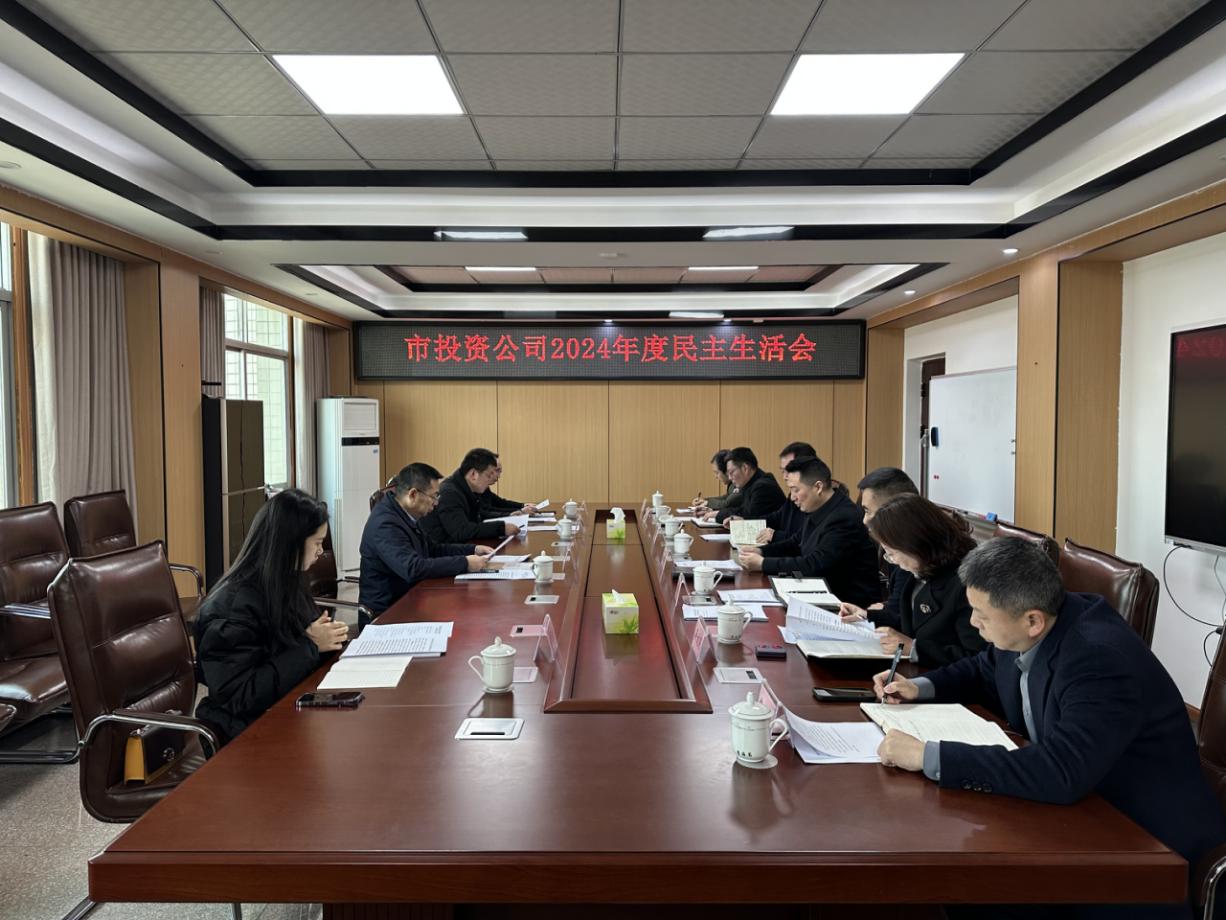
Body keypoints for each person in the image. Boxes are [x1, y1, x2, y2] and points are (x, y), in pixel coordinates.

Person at [874, 537, 1226, 920]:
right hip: (1079, 814)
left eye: (982, 615)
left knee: (966, 886)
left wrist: (929, 755)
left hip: (1142, 849)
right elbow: (984, 667)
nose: (973, 622)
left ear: (1033, 620)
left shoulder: (1099, 659)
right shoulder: (1036, 624)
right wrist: (920, 687)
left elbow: (1060, 771)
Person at [194, 489, 349, 745]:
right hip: (244, 732)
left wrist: (330, 640)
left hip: (287, 707)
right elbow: (240, 696)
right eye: (317, 543)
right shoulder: (232, 609)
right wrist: (311, 645)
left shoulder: (285, 579)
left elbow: (301, 641)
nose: (321, 551)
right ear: (290, 543)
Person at [840, 493, 985, 665]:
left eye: (892, 553)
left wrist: (914, 648)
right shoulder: (918, 569)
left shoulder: (966, 583)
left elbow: (978, 657)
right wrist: (866, 616)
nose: (892, 560)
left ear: (915, 543)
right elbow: (909, 620)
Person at [738, 457, 880, 606]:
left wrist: (763, 564)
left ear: (818, 487)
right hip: (821, 594)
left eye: (796, 490)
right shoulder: (819, 507)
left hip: (849, 606)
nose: (792, 497)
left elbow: (816, 564)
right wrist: (761, 551)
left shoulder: (844, 517)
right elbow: (795, 543)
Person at [359, 462, 493, 614]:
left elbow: (432, 549)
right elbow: (413, 568)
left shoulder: (405, 513)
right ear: (413, 495)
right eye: (434, 496)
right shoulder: (385, 524)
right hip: (387, 612)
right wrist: (465, 563)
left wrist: (472, 549)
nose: (436, 503)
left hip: (412, 598)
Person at [422, 448, 523, 543]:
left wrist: (508, 516)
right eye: (488, 475)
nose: (492, 480)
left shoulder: (468, 488)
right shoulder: (450, 493)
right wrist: (501, 528)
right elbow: (461, 530)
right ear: (473, 474)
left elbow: (480, 515)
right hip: (444, 550)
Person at [856, 467, 920, 608]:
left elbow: (898, 611)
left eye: (868, 511)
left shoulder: (911, 550)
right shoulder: (892, 541)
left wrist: (881, 610)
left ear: (894, 508)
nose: (865, 520)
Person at [756, 441, 816, 545]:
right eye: (783, 471)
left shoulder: (817, 498)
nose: (784, 477)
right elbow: (777, 518)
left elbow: (806, 540)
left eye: (788, 470)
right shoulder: (793, 494)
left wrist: (775, 536)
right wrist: (745, 522)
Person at [713, 447, 785, 523]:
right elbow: (742, 509)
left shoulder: (762, 487)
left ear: (745, 468)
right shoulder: (752, 483)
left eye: (731, 472)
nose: (730, 478)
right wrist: (718, 513)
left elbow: (748, 517)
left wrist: (718, 514)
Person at [480, 452, 537, 519]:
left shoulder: (484, 488)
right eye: (497, 470)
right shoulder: (474, 490)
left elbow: (500, 503)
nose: (498, 476)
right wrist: (519, 511)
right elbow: (486, 512)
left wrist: (523, 506)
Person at [692, 449, 743, 515]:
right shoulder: (732, 484)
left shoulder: (739, 482)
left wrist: (706, 503)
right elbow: (726, 497)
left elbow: (727, 503)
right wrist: (704, 500)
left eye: (717, 473)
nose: (716, 477)